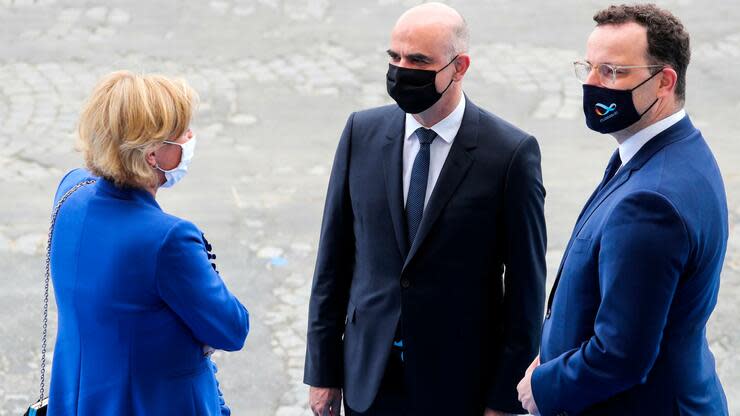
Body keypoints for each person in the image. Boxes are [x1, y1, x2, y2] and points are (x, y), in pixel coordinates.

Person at [304, 3, 547, 415]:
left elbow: (526, 289)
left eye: (418, 60)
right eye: (394, 57)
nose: (401, 70)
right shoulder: (361, 132)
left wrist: (505, 399)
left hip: (459, 384)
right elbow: (334, 259)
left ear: (459, 66)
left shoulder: (510, 154)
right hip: (370, 381)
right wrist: (323, 370)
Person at [517, 4, 729, 415]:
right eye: (589, 68)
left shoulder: (650, 204)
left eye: (612, 72)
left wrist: (542, 387)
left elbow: (621, 354)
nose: (593, 84)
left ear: (664, 81)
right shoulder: (675, 151)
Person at [46, 71, 249, 415]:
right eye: (182, 132)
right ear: (153, 154)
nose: (190, 137)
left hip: (80, 399)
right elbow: (232, 328)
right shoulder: (169, 239)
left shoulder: (70, 190)